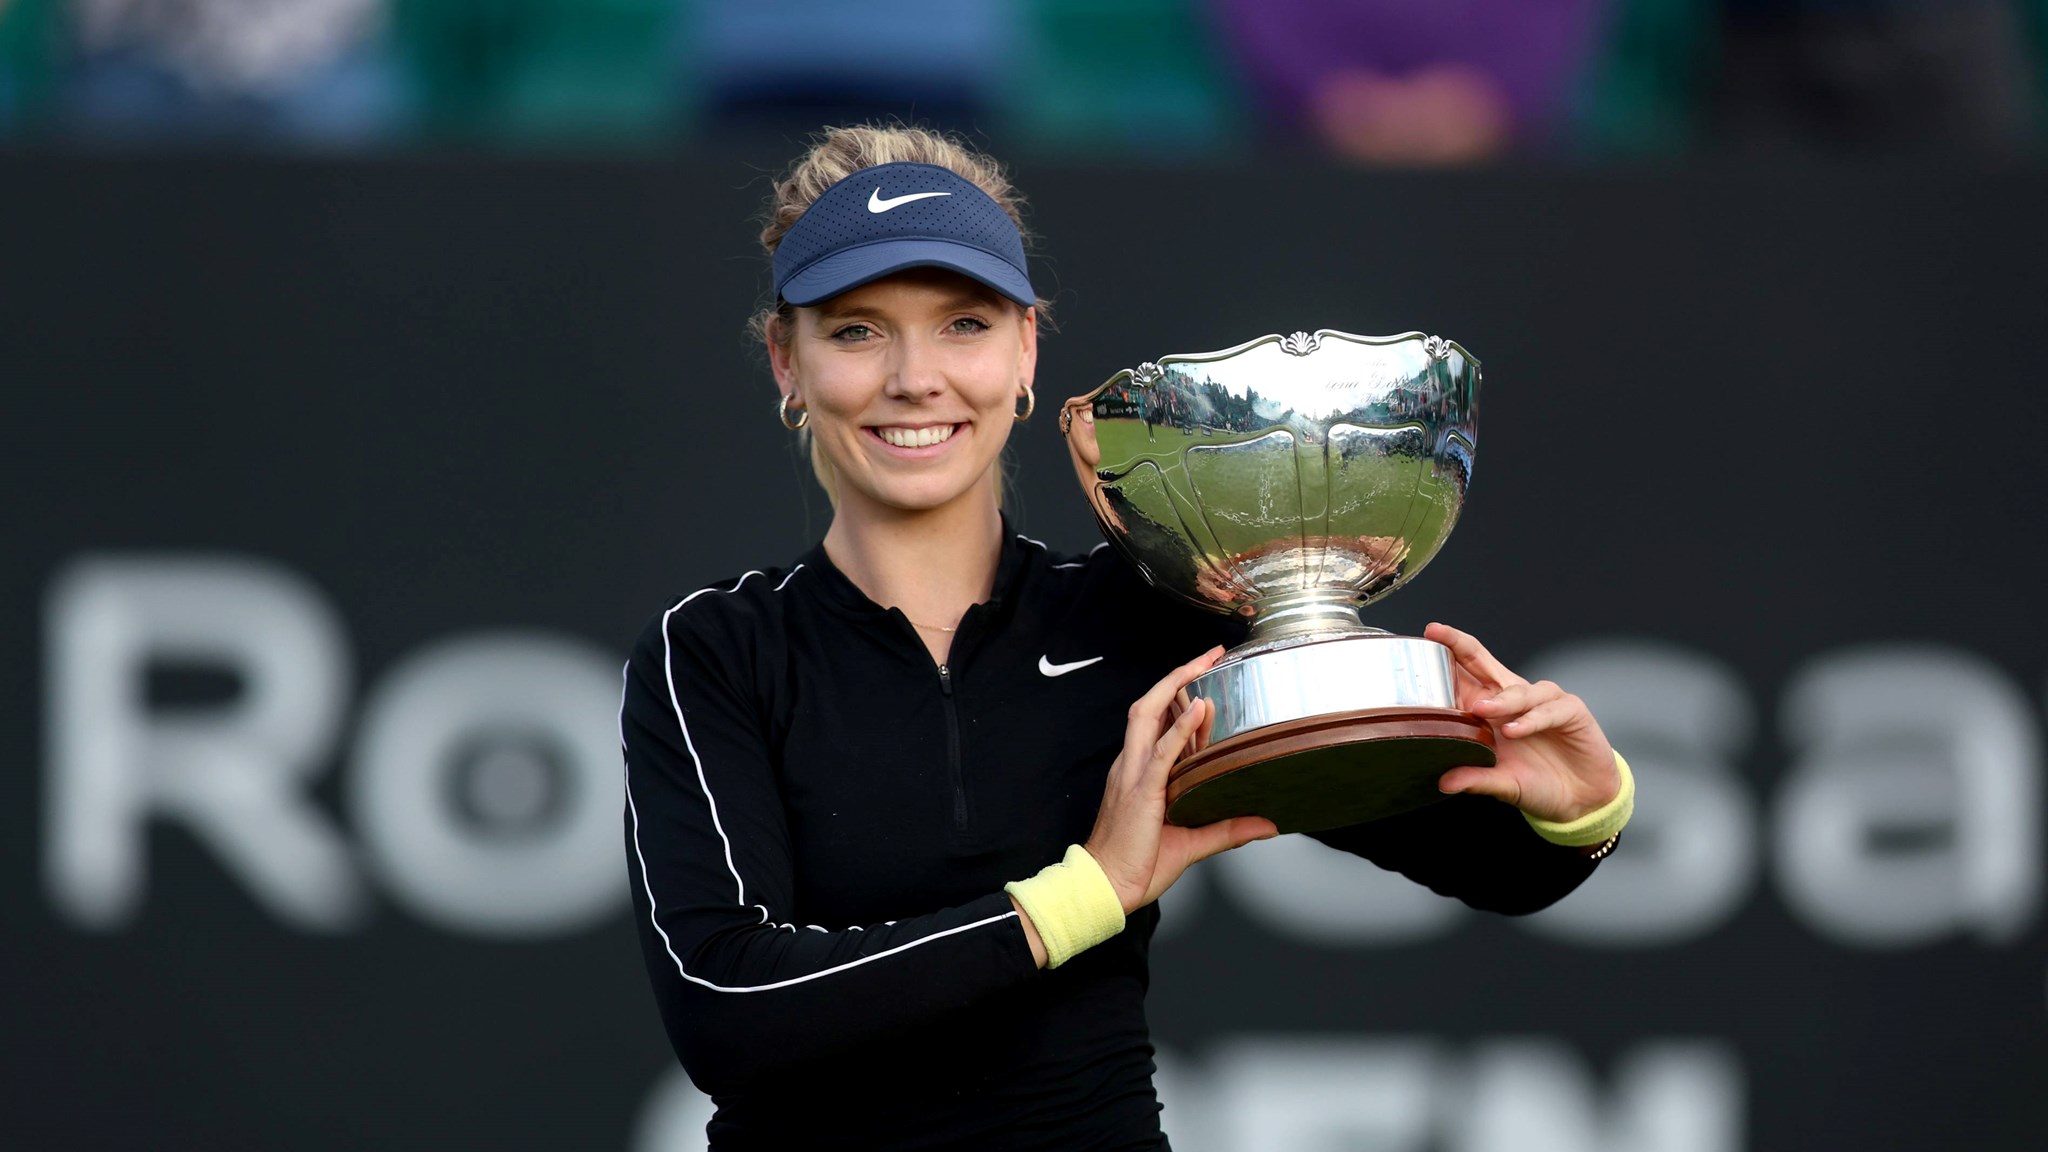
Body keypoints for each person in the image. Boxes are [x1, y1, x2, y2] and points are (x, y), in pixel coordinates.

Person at [619, 124, 1635, 1151]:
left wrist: (1580, 807)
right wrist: (1086, 893)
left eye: (963, 324)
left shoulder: (1144, 612)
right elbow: (724, 1008)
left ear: (1024, 349)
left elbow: (1495, 867)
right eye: (856, 331)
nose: (916, 377)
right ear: (785, 362)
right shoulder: (715, 651)